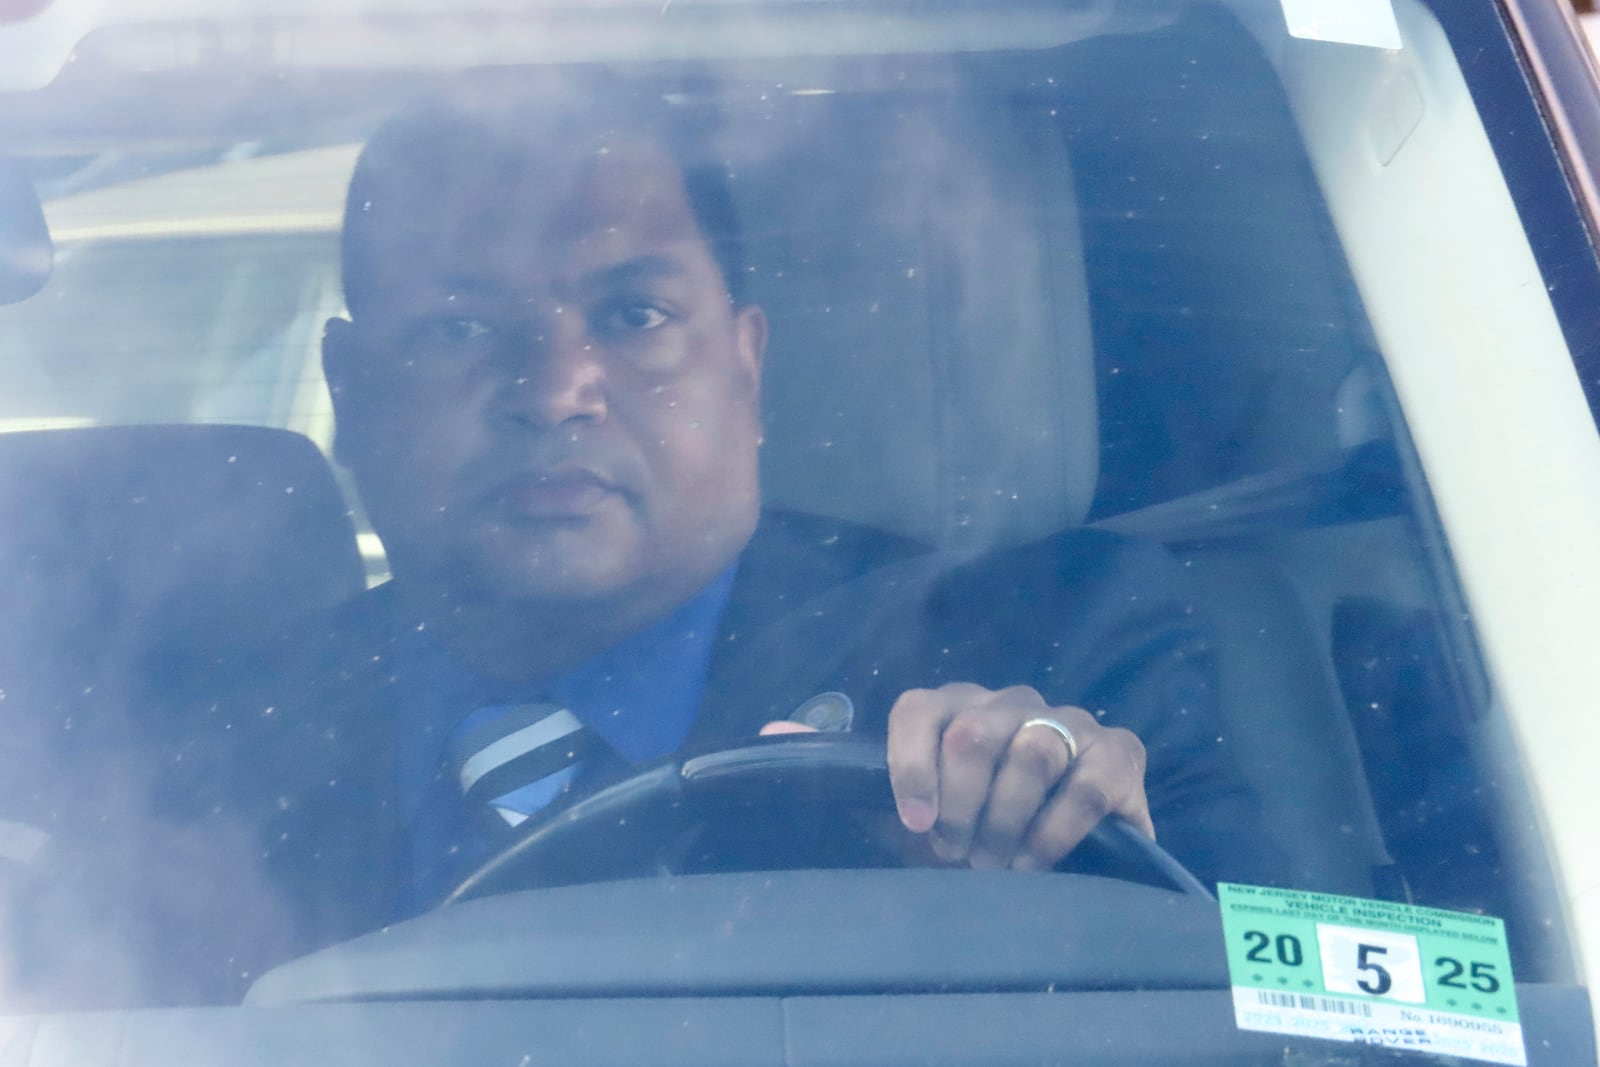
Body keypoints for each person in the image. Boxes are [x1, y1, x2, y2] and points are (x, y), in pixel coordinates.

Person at [11, 80, 1279, 1005]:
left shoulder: (1047, 646)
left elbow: (1341, 1004)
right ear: (352, 391)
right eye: (458, 328)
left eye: (631, 312)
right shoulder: (188, 761)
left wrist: (1105, 867)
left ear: (746, 362)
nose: (554, 384)